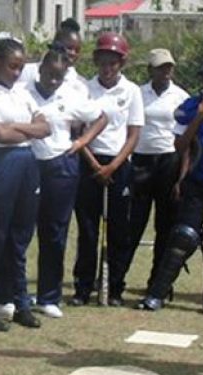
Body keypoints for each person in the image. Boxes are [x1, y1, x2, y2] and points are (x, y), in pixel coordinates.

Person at [134, 56, 203, 316]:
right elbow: (180, 146)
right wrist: (199, 117)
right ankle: (157, 293)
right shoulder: (190, 106)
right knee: (184, 235)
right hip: (198, 177)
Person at [0, 38, 51, 331]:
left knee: (21, 236)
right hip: (2, 163)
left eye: (20, 67)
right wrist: (26, 129)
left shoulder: (23, 93)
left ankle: (20, 302)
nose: (17, 73)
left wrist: (16, 128)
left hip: (27, 162)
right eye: (12, 66)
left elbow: (45, 127)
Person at [25, 46, 108, 318]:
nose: (53, 81)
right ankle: (13, 292)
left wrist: (81, 141)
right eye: (49, 74)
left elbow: (102, 116)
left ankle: (49, 295)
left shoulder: (70, 95)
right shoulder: (23, 94)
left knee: (54, 232)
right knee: (21, 229)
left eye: (58, 77)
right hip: (28, 164)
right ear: (40, 69)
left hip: (61, 166)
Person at [71, 32, 143, 307]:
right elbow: (77, 131)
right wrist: (93, 164)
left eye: (113, 62)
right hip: (89, 159)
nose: (107, 68)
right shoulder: (86, 89)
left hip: (119, 162)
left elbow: (134, 134)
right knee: (88, 228)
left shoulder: (131, 91)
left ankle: (114, 287)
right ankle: (83, 286)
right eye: (103, 61)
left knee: (118, 229)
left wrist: (113, 165)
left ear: (121, 63)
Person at [119, 48, 188, 296]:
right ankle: (117, 279)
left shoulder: (181, 96)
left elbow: (187, 135)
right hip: (141, 161)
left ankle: (158, 283)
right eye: (160, 67)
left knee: (165, 225)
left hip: (168, 160)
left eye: (169, 66)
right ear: (150, 70)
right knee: (133, 224)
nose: (166, 71)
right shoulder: (138, 93)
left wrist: (181, 174)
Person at [16, 18, 88, 97]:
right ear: (56, 44)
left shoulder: (80, 83)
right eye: (69, 48)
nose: (73, 53)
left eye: (77, 50)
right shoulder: (28, 71)